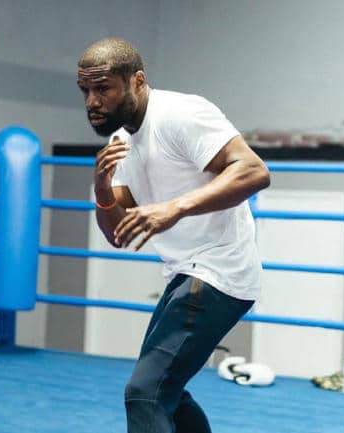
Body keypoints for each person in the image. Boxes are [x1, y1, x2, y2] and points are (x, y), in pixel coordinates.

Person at [77, 37, 270, 433]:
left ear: (137, 81)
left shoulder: (180, 114)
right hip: (185, 274)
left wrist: (175, 207)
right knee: (167, 391)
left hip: (219, 272)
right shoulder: (120, 144)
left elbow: (253, 172)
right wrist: (101, 189)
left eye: (103, 88)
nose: (92, 102)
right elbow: (118, 235)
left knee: (145, 393)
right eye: (86, 91)